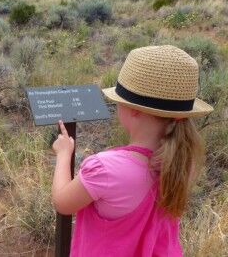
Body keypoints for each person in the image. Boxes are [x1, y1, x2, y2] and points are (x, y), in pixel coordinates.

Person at [52, 45, 214, 256]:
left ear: (134, 111)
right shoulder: (183, 160)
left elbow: (62, 202)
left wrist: (64, 153)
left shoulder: (106, 169)